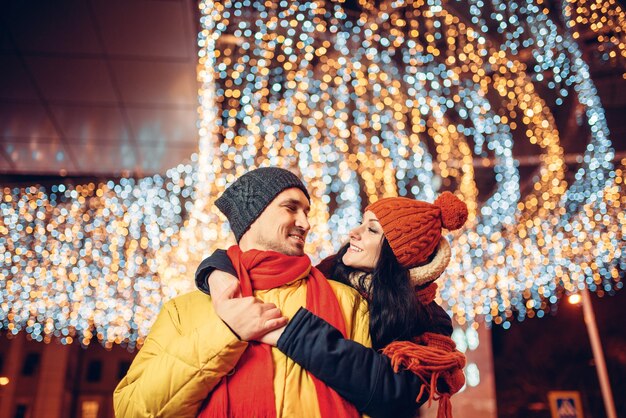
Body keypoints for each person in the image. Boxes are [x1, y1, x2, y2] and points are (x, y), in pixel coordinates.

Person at [114, 167, 370, 418]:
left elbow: (374, 399)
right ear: (253, 215)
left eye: (306, 212)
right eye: (291, 208)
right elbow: (132, 410)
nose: (305, 223)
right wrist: (226, 333)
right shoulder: (182, 311)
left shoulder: (347, 300)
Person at [199, 191, 468, 418]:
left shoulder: (428, 319)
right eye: (361, 223)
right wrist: (215, 270)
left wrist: (290, 334)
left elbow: (395, 394)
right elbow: (264, 264)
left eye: (371, 230)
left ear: (398, 256)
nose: (354, 233)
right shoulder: (330, 273)